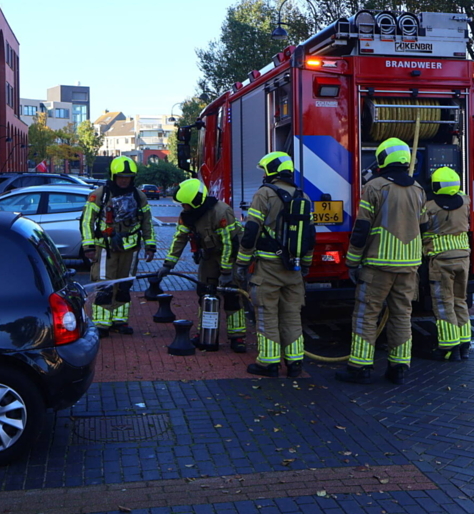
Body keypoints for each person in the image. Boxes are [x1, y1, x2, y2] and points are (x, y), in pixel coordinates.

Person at [337, 137, 428, 385]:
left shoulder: (374, 187)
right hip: (409, 266)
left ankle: (360, 367)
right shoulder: (418, 190)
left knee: (366, 315)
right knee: (402, 315)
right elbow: (424, 228)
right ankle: (399, 368)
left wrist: (352, 262)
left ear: (382, 159)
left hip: (378, 264)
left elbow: (362, 229)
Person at [235, 151, 314, 378]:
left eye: (264, 171)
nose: (263, 175)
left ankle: (268, 363)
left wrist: (242, 262)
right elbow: (310, 237)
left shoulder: (265, 194)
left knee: (267, 313)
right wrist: (305, 264)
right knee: (292, 315)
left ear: (271, 171)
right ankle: (295, 363)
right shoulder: (303, 196)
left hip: (268, 267)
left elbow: (251, 230)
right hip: (294, 267)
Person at [159, 179, 246, 351]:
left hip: (230, 256)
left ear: (196, 202)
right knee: (205, 294)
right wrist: (168, 264)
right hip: (209, 256)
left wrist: (226, 272)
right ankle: (206, 333)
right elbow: (179, 239)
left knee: (232, 296)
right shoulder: (187, 215)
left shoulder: (221, 212)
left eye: (185, 204)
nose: (183, 207)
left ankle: (237, 337)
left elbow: (230, 244)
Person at [80, 156, 156, 337]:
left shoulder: (139, 196)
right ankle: (101, 324)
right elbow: (87, 221)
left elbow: (147, 222)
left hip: (130, 249)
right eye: (121, 177)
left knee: (124, 286)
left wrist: (150, 245)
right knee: (105, 285)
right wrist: (88, 246)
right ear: (114, 176)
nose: (124, 180)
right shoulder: (100, 195)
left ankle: (119, 321)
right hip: (106, 249)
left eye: (128, 177)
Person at [423, 167, 472, 361]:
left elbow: (419, 227)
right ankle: (465, 344)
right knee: (460, 300)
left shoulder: (429, 207)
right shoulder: (465, 202)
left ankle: (449, 346)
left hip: (441, 259)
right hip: (463, 258)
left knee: (444, 303)